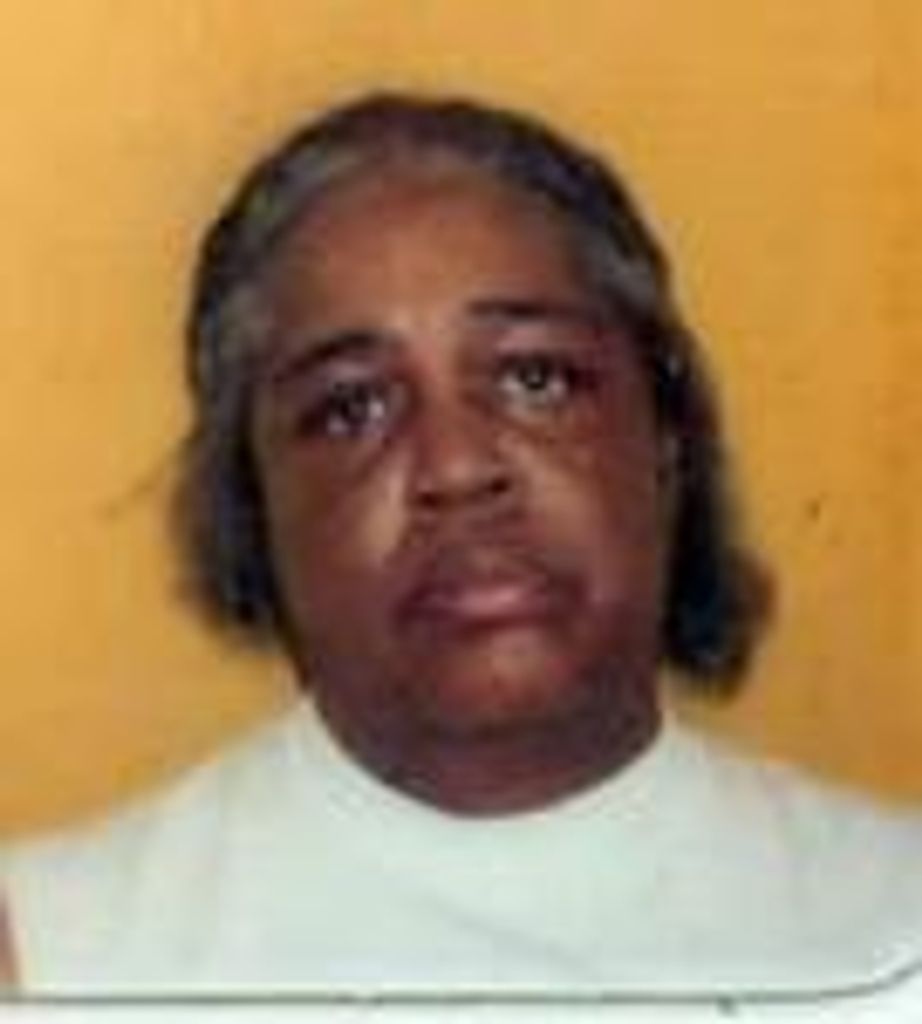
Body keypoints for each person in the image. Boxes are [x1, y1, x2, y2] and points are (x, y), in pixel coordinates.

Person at [3, 92, 922, 998]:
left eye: (538, 378)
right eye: (352, 408)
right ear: (252, 506)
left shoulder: (890, 918)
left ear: (666, 443)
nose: (455, 467)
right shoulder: (53, 951)